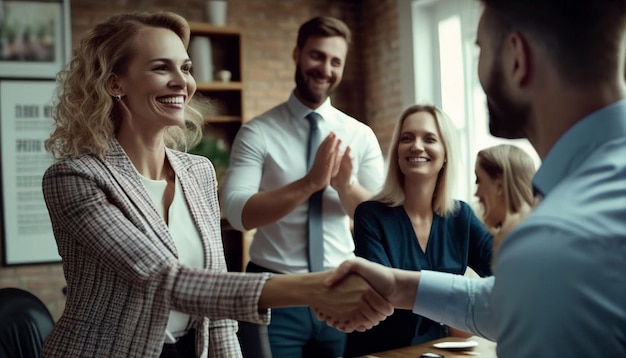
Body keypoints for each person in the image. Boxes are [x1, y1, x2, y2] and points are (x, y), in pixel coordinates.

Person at [40, 11, 392, 358]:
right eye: (161, 67)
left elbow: (216, 310)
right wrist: (315, 287)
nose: (183, 82)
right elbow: (163, 280)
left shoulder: (198, 172)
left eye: (186, 68)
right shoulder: (75, 178)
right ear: (115, 83)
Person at [321, 0, 626, 357]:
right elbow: (505, 299)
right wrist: (400, 287)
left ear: (516, 57)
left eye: (478, 49)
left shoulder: (549, 242)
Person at [220, 15, 385, 357]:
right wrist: (310, 182)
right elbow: (236, 212)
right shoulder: (258, 132)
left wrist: (345, 186)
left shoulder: (360, 134)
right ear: (296, 54)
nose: (325, 68)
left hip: (342, 287)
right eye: (317, 55)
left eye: (335, 61)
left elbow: (381, 220)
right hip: (277, 290)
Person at [344, 104, 493, 357]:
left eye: (429, 139)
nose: (416, 146)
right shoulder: (370, 215)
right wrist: (458, 291)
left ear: (445, 152)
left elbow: (504, 272)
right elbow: (383, 295)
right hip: (381, 351)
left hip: (435, 351)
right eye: (407, 138)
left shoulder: (461, 216)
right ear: (397, 153)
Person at [474, 144, 535, 258]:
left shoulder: (517, 241)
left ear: (499, 187)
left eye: (478, 180)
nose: (476, 193)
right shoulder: (534, 230)